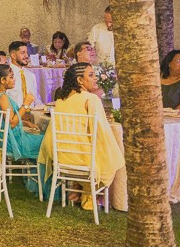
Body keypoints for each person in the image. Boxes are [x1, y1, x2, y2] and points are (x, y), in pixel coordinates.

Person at [38, 63, 125, 211]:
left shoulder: (60, 100)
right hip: (83, 158)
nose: (95, 78)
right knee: (116, 157)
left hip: (63, 156)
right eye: (91, 75)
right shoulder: (90, 99)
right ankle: (99, 196)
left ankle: (81, 190)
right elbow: (101, 132)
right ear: (79, 80)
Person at [0, 64, 43, 161]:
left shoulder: (0, 96)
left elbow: (6, 120)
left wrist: (25, 122)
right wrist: (25, 104)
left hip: (11, 137)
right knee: (48, 140)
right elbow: (12, 123)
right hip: (13, 142)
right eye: (11, 77)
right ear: (3, 80)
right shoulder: (3, 98)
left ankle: (33, 173)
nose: (14, 80)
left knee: (42, 136)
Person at [7, 41, 39, 109]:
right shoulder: (6, 76)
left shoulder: (31, 75)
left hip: (32, 115)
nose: (27, 55)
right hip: (14, 115)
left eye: (27, 52)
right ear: (13, 55)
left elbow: (36, 98)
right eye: (23, 53)